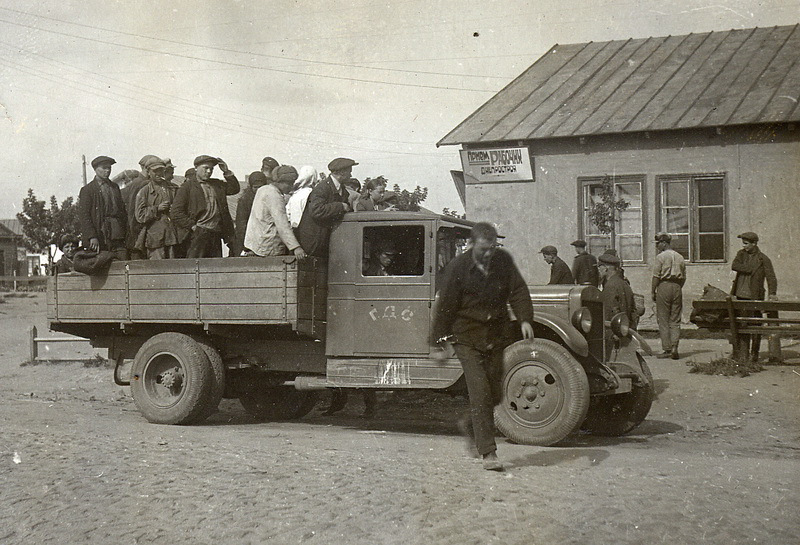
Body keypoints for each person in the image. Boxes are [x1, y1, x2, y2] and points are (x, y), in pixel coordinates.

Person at [431, 222, 534, 471]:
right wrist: (438, 343)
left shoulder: (503, 261)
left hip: (496, 335)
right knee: (480, 392)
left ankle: (470, 424)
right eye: (483, 250)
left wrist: (525, 319)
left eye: (492, 248)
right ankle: (489, 453)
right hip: (467, 336)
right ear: (471, 245)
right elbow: (445, 307)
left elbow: (518, 290)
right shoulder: (457, 268)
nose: (488, 254)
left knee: (495, 393)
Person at [171, 155, 240, 258]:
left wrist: (227, 172)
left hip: (215, 234)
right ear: (196, 168)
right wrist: (193, 227)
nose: (209, 171)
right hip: (198, 235)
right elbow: (176, 212)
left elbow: (234, 189)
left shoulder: (217, 184)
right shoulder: (187, 187)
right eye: (205, 168)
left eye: (211, 169)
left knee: (214, 267)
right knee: (195, 267)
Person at [731, 231, 778, 362]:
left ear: (754, 243)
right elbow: (734, 265)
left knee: (756, 325)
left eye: (746, 244)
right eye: (743, 243)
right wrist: (750, 269)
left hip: (755, 296)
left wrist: (772, 293)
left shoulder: (763, 259)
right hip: (741, 296)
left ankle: (754, 355)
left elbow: (771, 278)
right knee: (742, 325)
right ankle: (743, 354)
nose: (744, 246)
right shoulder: (741, 254)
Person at [295, 157, 354, 258]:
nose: (351, 175)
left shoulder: (341, 190)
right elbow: (316, 210)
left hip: (324, 242)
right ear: (342, 172)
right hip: (314, 244)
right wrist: (340, 206)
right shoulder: (322, 189)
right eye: (349, 172)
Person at [244, 167, 306, 259]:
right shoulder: (274, 196)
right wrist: (296, 247)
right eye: (290, 183)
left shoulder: (263, 189)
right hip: (268, 247)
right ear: (281, 182)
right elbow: (282, 224)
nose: (291, 187)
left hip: (256, 244)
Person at [134, 158, 187, 259]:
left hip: (173, 237)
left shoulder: (173, 188)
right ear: (148, 172)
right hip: (155, 239)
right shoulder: (144, 191)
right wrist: (157, 208)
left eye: (161, 170)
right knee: (158, 269)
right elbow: (140, 216)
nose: (158, 173)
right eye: (155, 171)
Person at [78, 155, 128, 260]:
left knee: (122, 261)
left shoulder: (114, 187)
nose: (107, 171)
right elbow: (84, 215)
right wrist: (92, 236)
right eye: (104, 168)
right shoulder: (88, 190)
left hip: (116, 233)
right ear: (95, 169)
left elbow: (122, 211)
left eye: (109, 168)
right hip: (99, 234)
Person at [651, 233, 686, 359]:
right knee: (675, 319)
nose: (657, 246)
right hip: (677, 287)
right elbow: (684, 277)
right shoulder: (680, 257)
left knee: (663, 319)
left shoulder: (660, 257)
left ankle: (667, 349)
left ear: (664, 243)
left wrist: (652, 291)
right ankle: (675, 346)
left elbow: (656, 276)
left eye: (658, 244)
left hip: (664, 286)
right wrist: (677, 287)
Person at [120, 154, 160, 259]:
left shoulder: (138, 183)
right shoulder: (141, 184)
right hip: (138, 234)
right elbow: (133, 211)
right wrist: (136, 235)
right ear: (148, 169)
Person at [231, 170, 269, 256]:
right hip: (247, 242)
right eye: (255, 187)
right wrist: (248, 247)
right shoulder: (245, 201)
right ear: (251, 187)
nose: (258, 190)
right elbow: (241, 225)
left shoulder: (269, 198)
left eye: (261, 187)